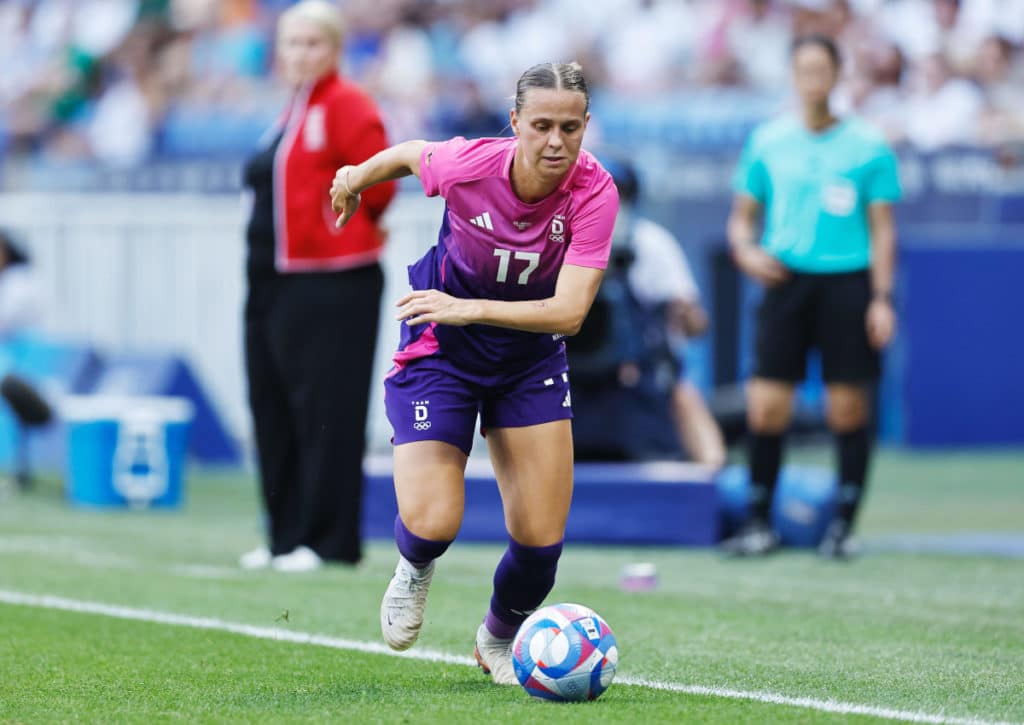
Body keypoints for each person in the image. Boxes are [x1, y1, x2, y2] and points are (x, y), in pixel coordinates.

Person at [329, 62, 618, 684]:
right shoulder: (470, 164)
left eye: (570, 128)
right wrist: (352, 177)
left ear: (586, 126)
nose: (555, 142)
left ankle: (498, 636)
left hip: (528, 361)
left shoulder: (596, 191)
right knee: (434, 521)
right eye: (540, 125)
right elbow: (409, 154)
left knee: (541, 547)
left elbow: (568, 314)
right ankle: (414, 569)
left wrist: (473, 307)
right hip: (442, 351)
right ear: (514, 123)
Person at [724, 33, 900, 559]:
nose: (813, 80)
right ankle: (759, 524)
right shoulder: (769, 140)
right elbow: (741, 220)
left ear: (838, 74)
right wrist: (746, 252)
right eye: (804, 70)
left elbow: (884, 230)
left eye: (822, 70)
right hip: (785, 283)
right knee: (766, 407)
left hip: (848, 283)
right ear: (793, 76)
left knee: (847, 408)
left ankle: (843, 526)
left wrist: (881, 297)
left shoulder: (869, 145)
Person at [238, 1, 396, 573]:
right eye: (291, 43)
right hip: (270, 279)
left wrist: (340, 227)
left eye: (312, 43)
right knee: (271, 404)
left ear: (334, 50)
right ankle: (283, 535)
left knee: (326, 409)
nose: (300, 54)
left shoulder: (347, 105)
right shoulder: (287, 112)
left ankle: (328, 542)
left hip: (331, 284)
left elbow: (380, 181)